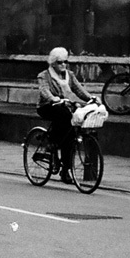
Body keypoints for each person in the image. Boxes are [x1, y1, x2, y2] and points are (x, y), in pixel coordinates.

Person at [37, 47, 93, 184]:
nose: (63, 65)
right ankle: (50, 142)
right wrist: (53, 98)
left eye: (65, 62)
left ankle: (66, 171)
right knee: (63, 115)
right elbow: (44, 90)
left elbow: (79, 90)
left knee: (70, 136)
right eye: (60, 62)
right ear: (53, 63)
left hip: (66, 106)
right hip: (47, 106)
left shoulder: (70, 75)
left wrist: (91, 98)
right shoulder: (44, 75)